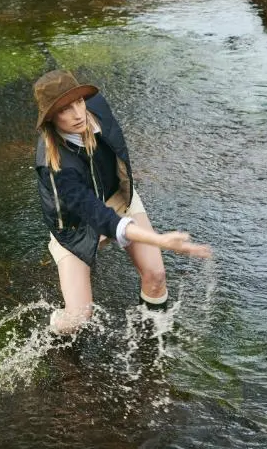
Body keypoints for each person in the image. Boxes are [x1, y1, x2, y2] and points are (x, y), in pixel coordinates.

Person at [33, 69, 211, 334]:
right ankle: (53, 331)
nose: (78, 114)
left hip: (119, 197)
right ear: (50, 119)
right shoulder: (56, 166)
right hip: (77, 224)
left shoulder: (97, 109)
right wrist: (161, 240)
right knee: (78, 318)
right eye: (65, 110)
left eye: (79, 102)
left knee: (156, 276)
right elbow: (99, 217)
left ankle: (151, 341)